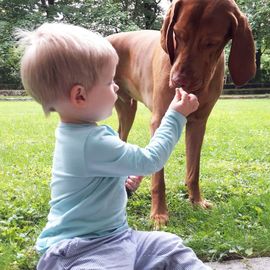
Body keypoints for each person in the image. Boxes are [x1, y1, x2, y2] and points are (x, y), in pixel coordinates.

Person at [16, 22, 211, 270]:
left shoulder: (80, 135)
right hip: (79, 250)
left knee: (168, 245)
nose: (118, 86)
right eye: (109, 82)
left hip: (116, 238)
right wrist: (175, 116)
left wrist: (121, 186)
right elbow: (151, 160)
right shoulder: (90, 142)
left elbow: (89, 189)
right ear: (80, 96)